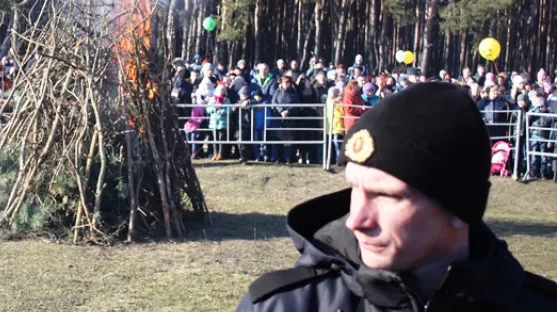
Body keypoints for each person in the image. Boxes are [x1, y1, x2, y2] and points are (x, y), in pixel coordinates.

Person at [237, 83, 557, 311]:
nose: (356, 220)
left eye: (386, 196)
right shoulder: (282, 305)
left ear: (461, 207)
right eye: (355, 189)